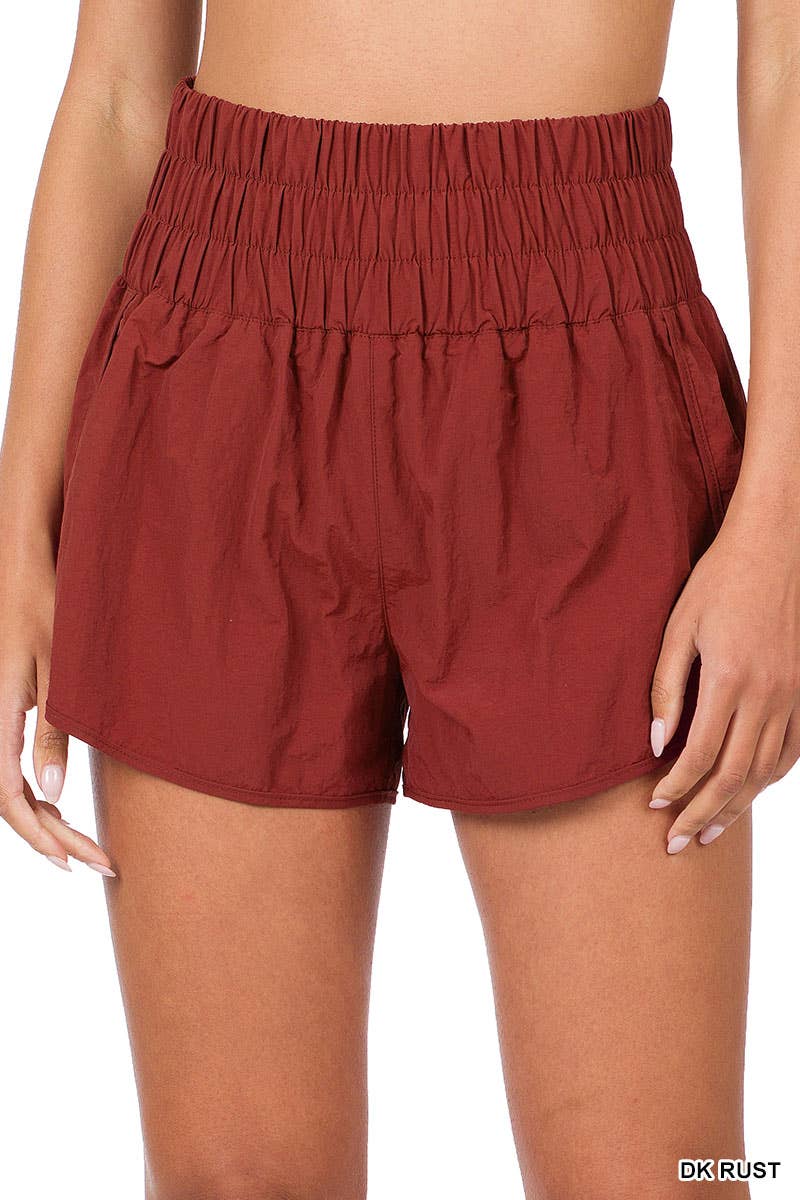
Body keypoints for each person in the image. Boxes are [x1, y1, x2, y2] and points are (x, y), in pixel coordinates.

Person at [1, 1, 797, 1196]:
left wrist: (781, 529)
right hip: (219, 361)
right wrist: (17, 533)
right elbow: (117, 91)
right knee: (235, 1182)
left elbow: (789, 70)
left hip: (584, 367)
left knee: (669, 1176)